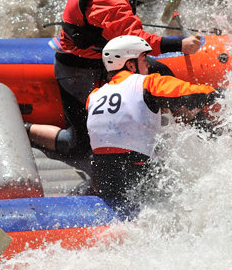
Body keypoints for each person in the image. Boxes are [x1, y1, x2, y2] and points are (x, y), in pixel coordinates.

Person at [28, 0, 203, 157]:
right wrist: (179, 43)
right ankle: (26, 131)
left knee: (160, 72)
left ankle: (195, 125)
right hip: (78, 69)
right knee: (78, 145)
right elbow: (136, 40)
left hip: (107, 59)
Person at [86, 36, 222, 215]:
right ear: (131, 65)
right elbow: (192, 93)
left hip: (101, 175)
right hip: (135, 173)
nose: (149, 65)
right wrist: (221, 92)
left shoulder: (94, 95)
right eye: (144, 59)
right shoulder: (148, 83)